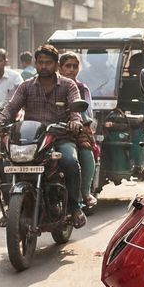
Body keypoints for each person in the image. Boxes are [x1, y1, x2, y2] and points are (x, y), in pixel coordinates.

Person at [0, 44, 87, 228]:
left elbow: (75, 109)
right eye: (40, 62)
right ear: (35, 64)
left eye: (48, 63)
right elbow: (11, 107)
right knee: (4, 163)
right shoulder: (26, 86)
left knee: (70, 161)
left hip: (60, 137)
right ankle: (11, 207)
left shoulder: (68, 85)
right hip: (31, 140)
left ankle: (75, 207)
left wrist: (75, 121)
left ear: (56, 65)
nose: (44, 66)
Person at [59, 51, 98, 210]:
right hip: (51, 128)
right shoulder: (52, 84)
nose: (71, 69)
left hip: (76, 129)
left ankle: (85, 192)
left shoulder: (82, 88)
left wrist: (79, 122)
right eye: (68, 66)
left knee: (87, 154)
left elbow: (88, 112)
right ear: (60, 68)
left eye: (75, 66)